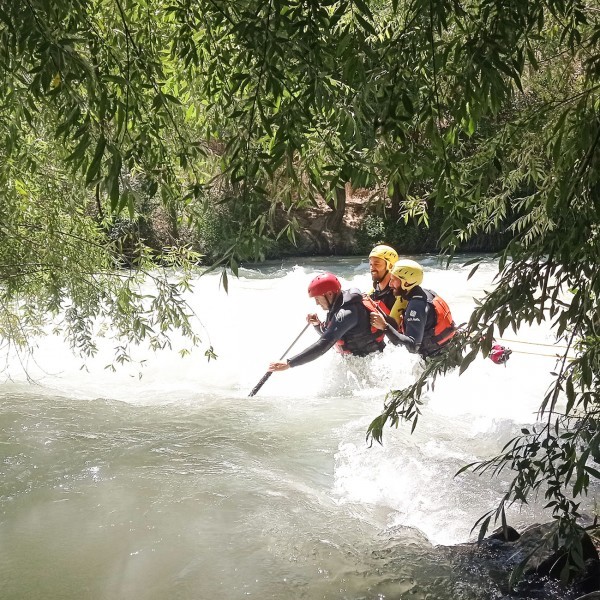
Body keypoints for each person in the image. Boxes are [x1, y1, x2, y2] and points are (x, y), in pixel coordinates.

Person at [269, 272, 386, 372]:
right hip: (359, 362)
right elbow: (332, 334)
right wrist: (317, 325)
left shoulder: (346, 313)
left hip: (372, 365)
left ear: (329, 294)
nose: (317, 303)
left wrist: (289, 363)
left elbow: (324, 344)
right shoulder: (338, 304)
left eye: (317, 298)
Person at [370, 259, 457, 359]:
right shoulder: (426, 293)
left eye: (394, 280)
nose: (390, 284)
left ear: (406, 283)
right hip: (450, 353)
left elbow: (412, 346)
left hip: (438, 362)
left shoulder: (417, 306)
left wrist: (385, 327)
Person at [367, 244, 406, 325]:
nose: (372, 268)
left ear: (390, 266)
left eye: (377, 264)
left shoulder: (399, 293)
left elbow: (395, 326)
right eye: (371, 264)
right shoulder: (374, 289)